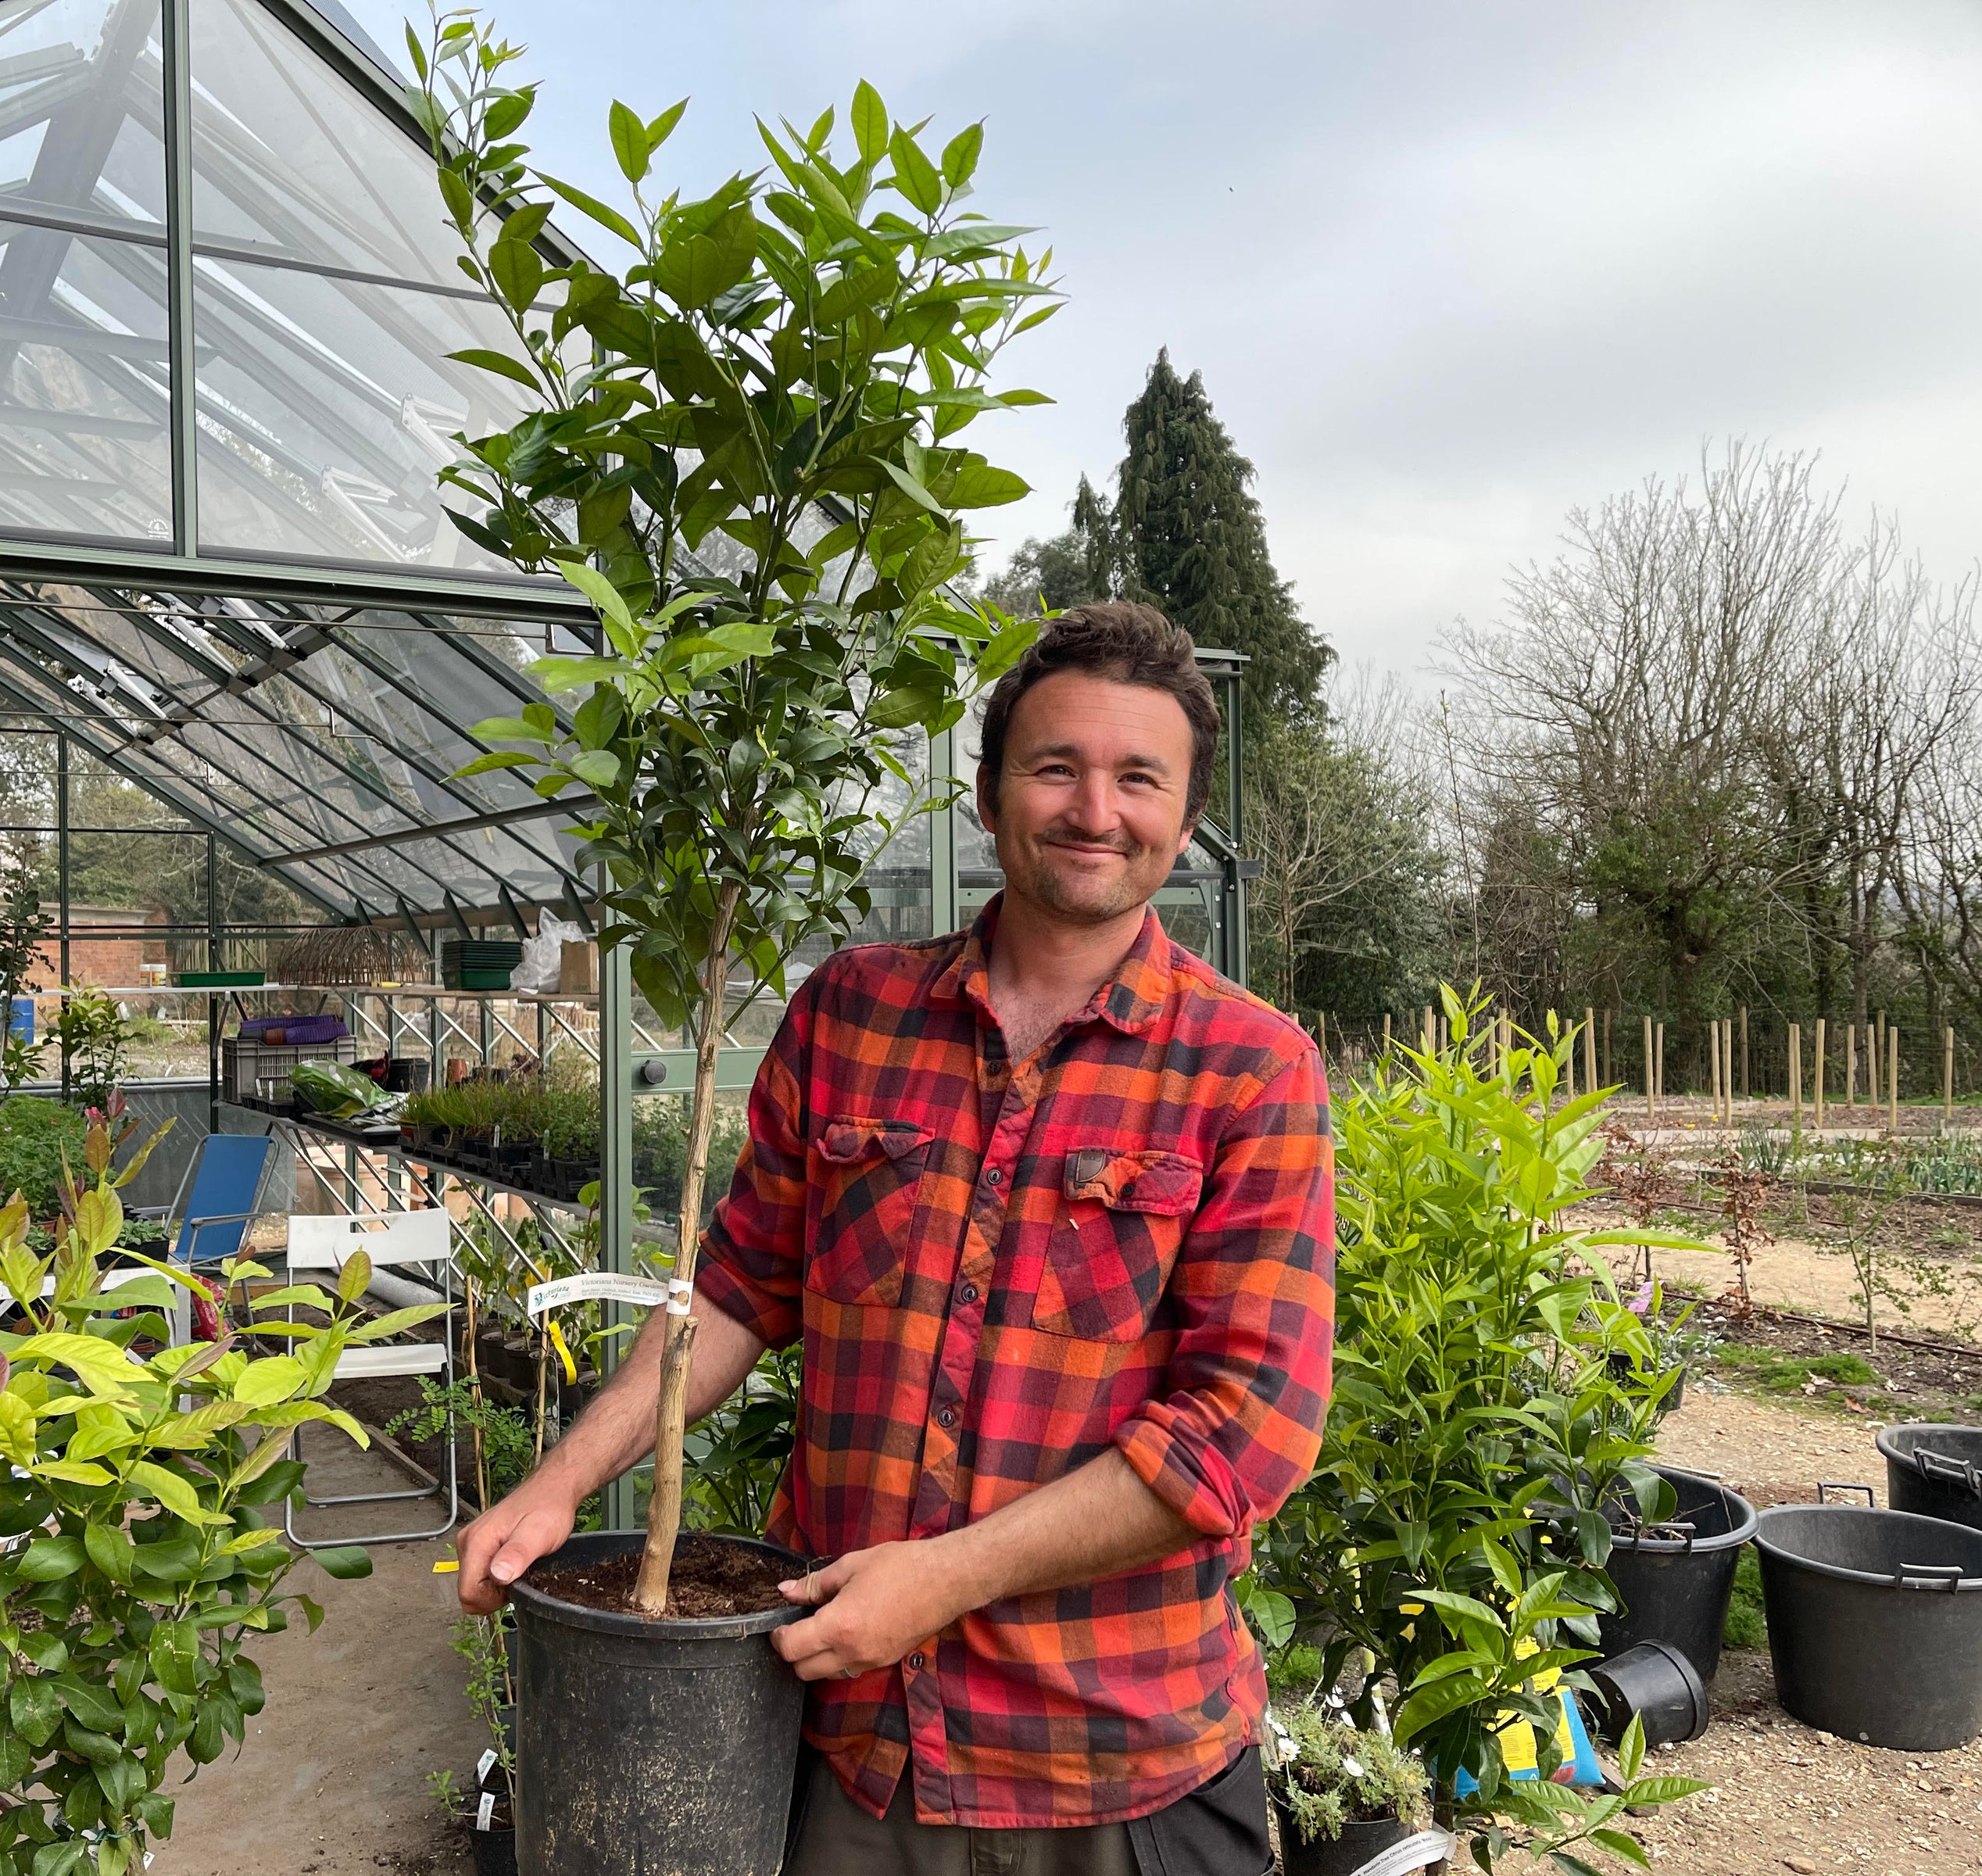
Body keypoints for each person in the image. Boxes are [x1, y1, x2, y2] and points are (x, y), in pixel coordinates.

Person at [455, 602, 1336, 1874]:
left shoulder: (1247, 1068)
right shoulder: (852, 1015)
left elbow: (1245, 1429)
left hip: (1118, 1755)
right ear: (988, 797)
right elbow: (736, 1295)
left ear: (1183, 821)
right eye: (1055, 767)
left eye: (1138, 776)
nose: (1096, 808)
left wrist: (944, 1579)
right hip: (851, 1747)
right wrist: (560, 1482)